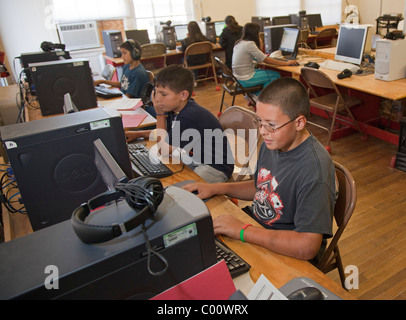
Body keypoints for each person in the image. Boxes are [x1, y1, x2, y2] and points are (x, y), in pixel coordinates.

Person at [183, 77, 336, 264]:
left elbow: (307, 246)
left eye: (271, 125)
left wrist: (242, 230)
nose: (263, 131)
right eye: (260, 122)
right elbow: (261, 187)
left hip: (288, 249)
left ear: (299, 123)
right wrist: (217, 188)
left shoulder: (314, 170)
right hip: (259, 228)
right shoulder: (274, 142)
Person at [125, 64, 234, 184]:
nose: (158, 99)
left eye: (164, 94)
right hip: (196, 159)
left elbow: (164, 150)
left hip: (215, 168)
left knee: (180, 191)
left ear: (183, 95)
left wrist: (160, 115)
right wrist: (138, 134)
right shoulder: (177, 108)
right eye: (157, 93)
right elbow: (167, 133)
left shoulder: (188, 116)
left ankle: (221, 196)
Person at [232, 23, 298, 95]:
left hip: (238, 79)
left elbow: (259, 59)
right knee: (275, 75)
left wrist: (259, 42)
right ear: (254, 34)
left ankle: (254, 96)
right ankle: (263, 99)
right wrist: (286, 63)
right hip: (245, 80)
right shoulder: (249, 44)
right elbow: (265, 60)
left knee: (266, 72)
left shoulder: (239, 43)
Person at [94, 40, 153, 115]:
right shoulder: (127, 66)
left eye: (124, 53)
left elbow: (129, 96)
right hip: (125, 100)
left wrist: (114, 103)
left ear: (135, 54)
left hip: (134, 107)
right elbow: (122, 84)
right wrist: (103, 81)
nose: (122, 56)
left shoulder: (138, 73)